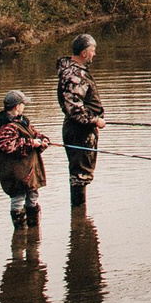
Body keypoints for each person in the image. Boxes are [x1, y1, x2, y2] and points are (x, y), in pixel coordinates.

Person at [56, 33, 106, 202]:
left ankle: (79, 216)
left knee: (82, 175)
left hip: (81, 130)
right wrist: (95, 120)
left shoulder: (76, 71)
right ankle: (78, 214)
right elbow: (74, 109)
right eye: (93, 50)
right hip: (79, 131)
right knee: (79, 177)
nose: (94, 54)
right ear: (84, 53)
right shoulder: (74, 75)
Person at [0, 89, 51, 225]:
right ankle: (20, 232)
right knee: (18, 198)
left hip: (28, 171)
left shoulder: (23, 121)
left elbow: (34, 134)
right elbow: (6, 146)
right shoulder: (7, 126)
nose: (24, 106)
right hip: (16, 174)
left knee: (33, 196)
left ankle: (33, 232)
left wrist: (43, 140)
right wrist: (32, 143)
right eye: (23, 104)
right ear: (17, 106)